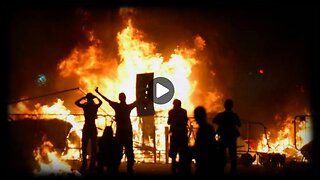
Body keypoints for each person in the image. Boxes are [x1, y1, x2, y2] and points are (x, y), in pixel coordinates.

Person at [95, 87, 137, 173]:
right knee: (129, 149)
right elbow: (137, 102)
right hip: (128, 130)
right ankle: (130, 167)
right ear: (125, 98)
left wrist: (98, 93)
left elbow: (107, 100)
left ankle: (116, 165)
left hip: (120, 130)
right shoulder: (128, 107)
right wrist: (145, 92)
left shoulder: (117, 106)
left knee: (118, 149)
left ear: (119, 98)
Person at [212, 99, 241, 175]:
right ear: (232, 106)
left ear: (225, 106)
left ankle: (221, 170)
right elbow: (239, 124)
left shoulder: (221, 115)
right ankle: (233, 171)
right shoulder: (234, 115)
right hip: (232, 137)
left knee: (221, 155)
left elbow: (214, 121)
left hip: (223, 137)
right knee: (233, 156)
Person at [75, 93, 102, 171]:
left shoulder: (85, 106)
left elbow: (76, 103)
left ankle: (84, 163)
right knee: (94, 146)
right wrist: (96, 97)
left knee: (84, 146)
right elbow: (101, 102)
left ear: (87, 98)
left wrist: (83, 98)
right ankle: (92, 164)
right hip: (93, 127)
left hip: (86, 126)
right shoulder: (95, 106)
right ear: (92, 99)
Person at [193, 106, 219, 176]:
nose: (195, 118)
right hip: (209, 158)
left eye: (196, 116)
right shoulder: (209, 127)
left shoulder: (203, 129)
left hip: (205, 159)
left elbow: (201, 146)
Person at [167, 99, 189, 174]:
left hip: (175, 134)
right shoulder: (184, 111)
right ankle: (181, 167)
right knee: (182, 152)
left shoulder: (171, 112)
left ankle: (174, 168)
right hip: (182, 134)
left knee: (174, 152)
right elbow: (186, 121)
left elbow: (169, 121)